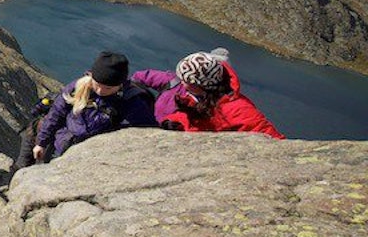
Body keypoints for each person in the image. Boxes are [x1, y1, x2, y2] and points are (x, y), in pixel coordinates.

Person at [33, 51, 157, 161]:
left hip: (94, 157)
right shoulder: (78, 86)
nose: (100, 90)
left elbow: (142, 134)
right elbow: (56, 113)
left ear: (120, 84)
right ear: (91, 76)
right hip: (62, 146)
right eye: (97, 84)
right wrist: (41, 143)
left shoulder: (132, 103)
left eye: (108, 88)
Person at [133, 50, 283, 139]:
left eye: (188, 82)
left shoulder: (236, 107)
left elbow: (268, 135)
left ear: (204, 86)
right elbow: (142, 76)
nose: (183, 84)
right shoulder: (176, 83)